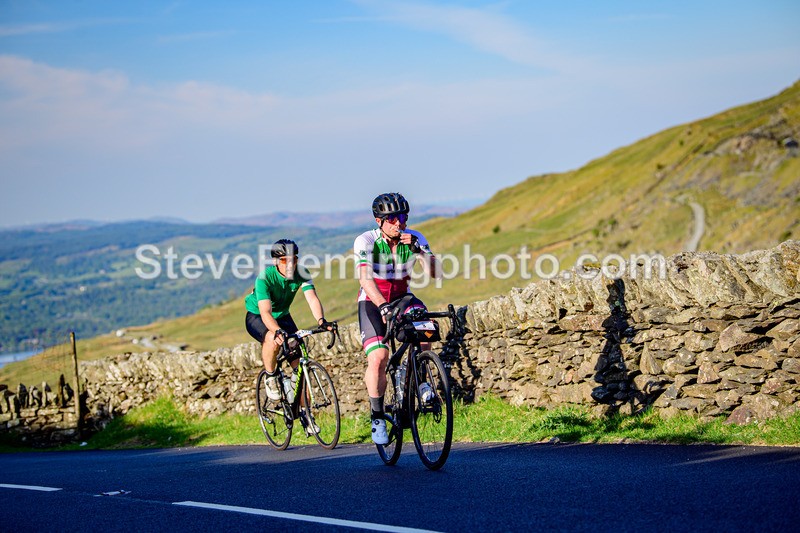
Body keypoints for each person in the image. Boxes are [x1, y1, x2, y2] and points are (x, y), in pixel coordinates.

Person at [354, 192, 440, 444]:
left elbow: (435, 273)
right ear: (379, 221)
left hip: (403, 297)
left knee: (425, 329)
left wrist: (420, 250)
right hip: (372, 301)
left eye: (402, 217)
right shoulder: (366, 240)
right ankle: (377, 417)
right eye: (392, 218)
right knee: (379, 357)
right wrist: (381, 305)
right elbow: (365, 279)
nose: (399, 223)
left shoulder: (415, 237)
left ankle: (423, 384)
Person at [245, 239, 332, 434]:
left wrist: (321, 320)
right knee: (271, 339)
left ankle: (306, 415)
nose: (290, 264)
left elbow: (311, 298)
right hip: (258, 316)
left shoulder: (301, 273)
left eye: (294, 259)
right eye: (284, 260)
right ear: (276, 261)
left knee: (300, 366)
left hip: (283, 316)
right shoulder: (265, 278)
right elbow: (266, 312)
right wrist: (276, 331)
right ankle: (270, 376)